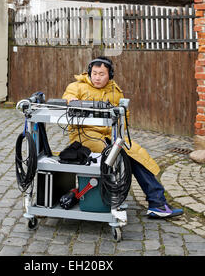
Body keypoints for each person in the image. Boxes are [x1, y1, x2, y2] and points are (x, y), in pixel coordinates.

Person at [62, 56, 183, 219]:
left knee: (138, 155)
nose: (97, 77)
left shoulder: (115, 90)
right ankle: (156, 202)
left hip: (110, 135)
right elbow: (68, 97)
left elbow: (124, 115)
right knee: (123, 156)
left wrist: (118, 130)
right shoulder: (77, 86)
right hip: (84, 136)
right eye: (95, 73)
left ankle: (157, 202)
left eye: (102, 74)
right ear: (89, 72)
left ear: (110, 75)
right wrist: (72, 101)